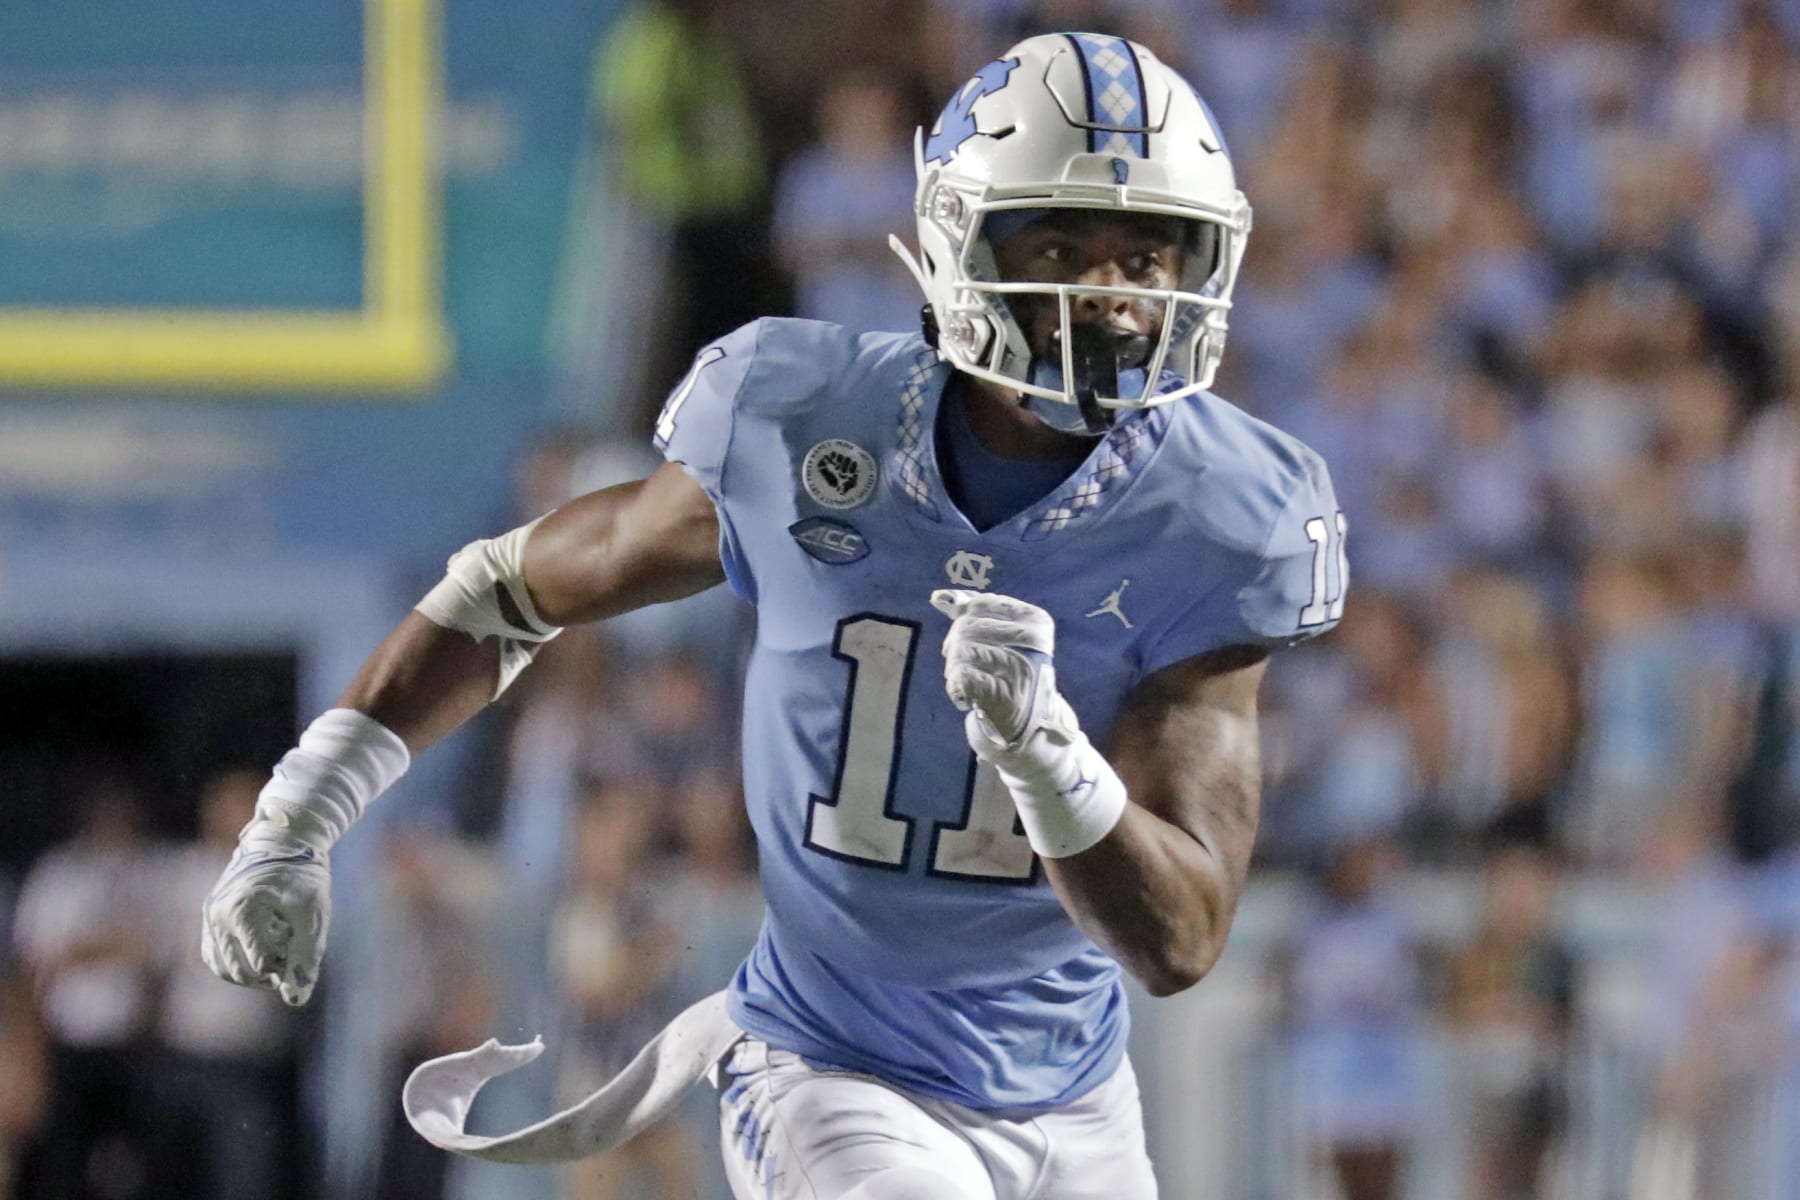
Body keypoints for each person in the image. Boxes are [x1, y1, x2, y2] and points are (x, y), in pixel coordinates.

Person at [200, 33, 1346, 1200]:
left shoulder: (1222, 510)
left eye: (1147, 255)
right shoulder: (803, 421)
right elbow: (513, 586)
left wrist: (1045, 756)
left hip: (1078, 1099)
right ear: (961, 239)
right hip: (832, 1068)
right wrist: (301, 810)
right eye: (1061, 244)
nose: (1108, 298)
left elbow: (1181, 937)